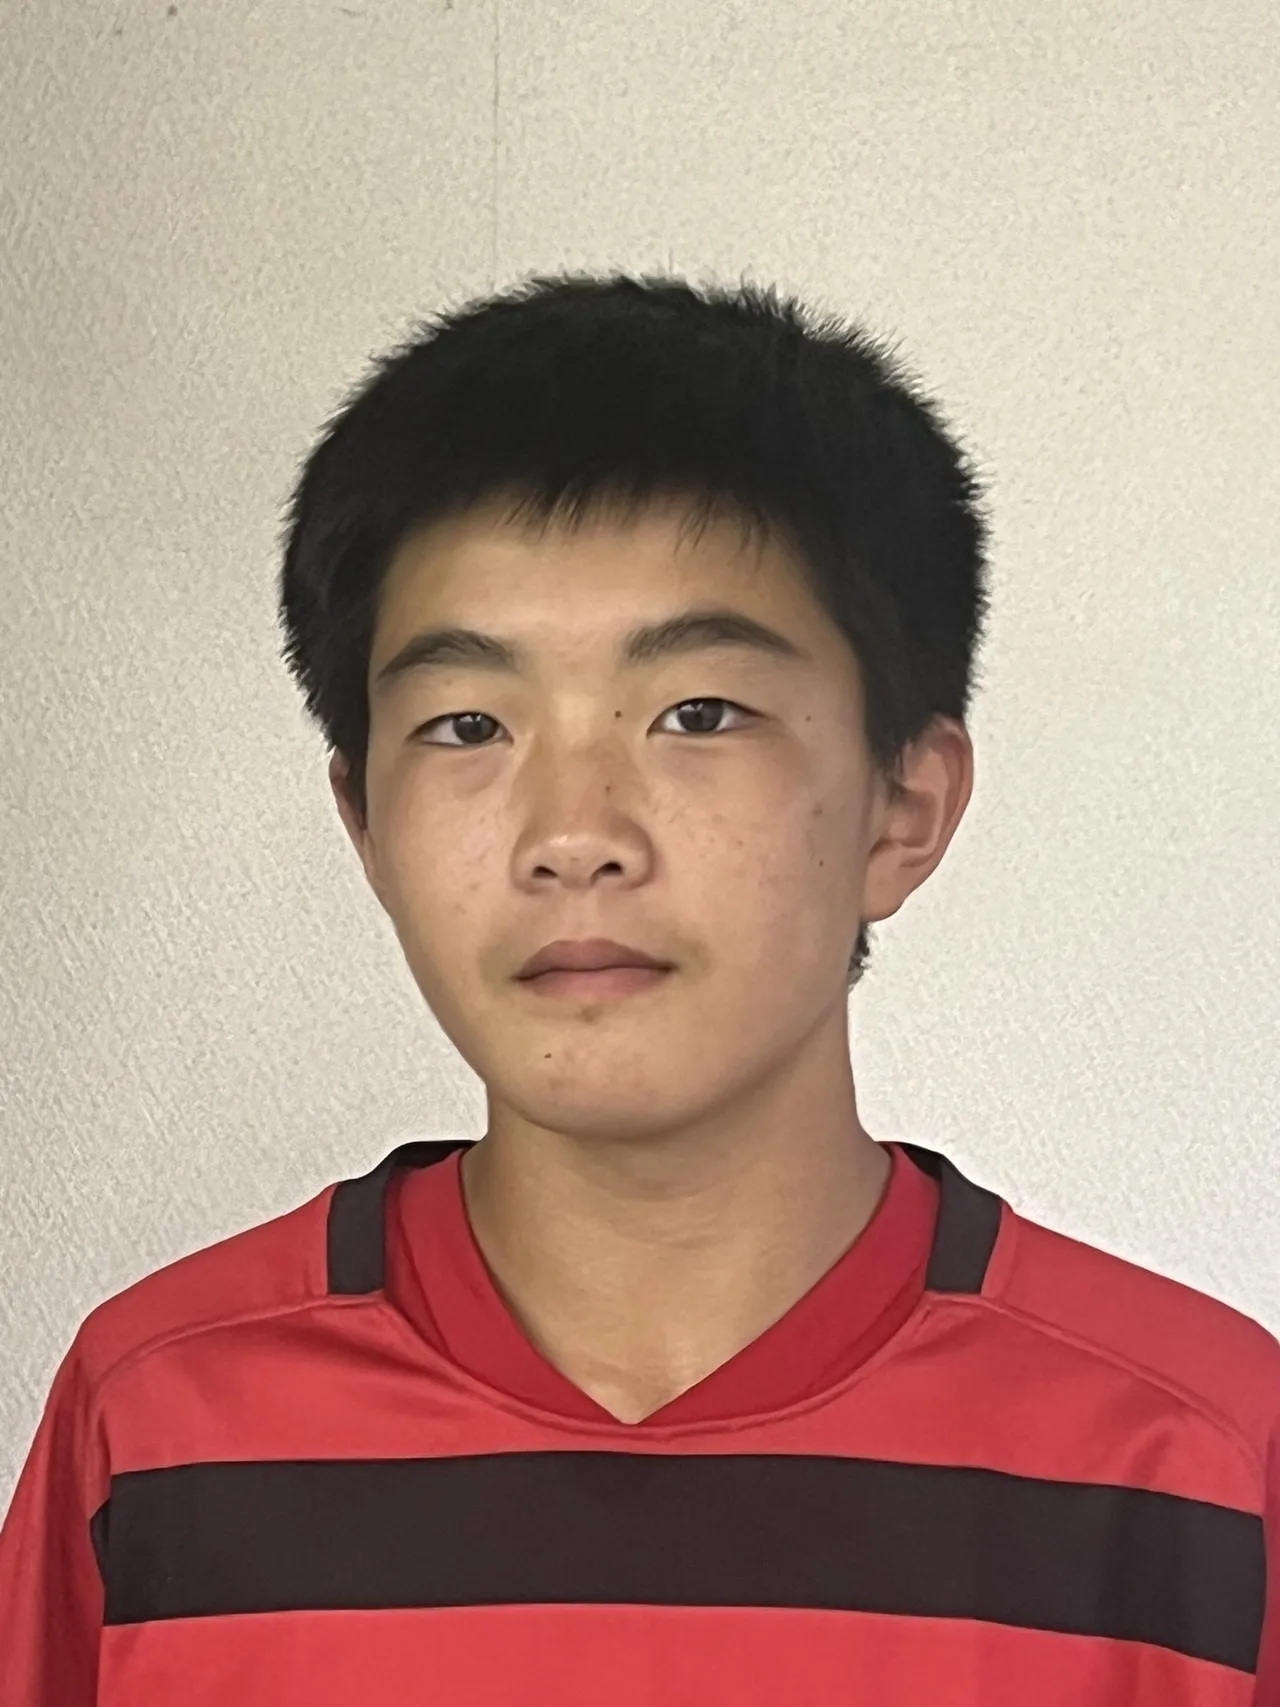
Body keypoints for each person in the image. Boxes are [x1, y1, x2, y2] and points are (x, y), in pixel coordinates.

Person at [1, 269, 1276, 1707]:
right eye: (467, 725)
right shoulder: (159, 1427)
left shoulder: (1201, 1462)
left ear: (903, 807)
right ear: (365, 823)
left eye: (698, 713)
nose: (573, 833)